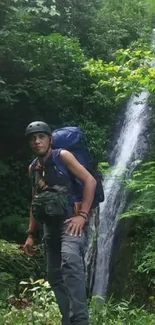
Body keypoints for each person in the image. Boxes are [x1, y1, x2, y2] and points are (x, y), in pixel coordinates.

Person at [23, 121, 97, 325]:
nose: (37, 141)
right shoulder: (33, 168)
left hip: (70, 222)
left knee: (70, 262)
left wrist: (82, 215)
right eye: (33, 138)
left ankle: (81, 321)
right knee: (54, 275)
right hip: (49, 226)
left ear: (50, 139)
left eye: (41, 137)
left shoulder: (62, 156)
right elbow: (34, 201)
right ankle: (68, 320)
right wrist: (30, 234)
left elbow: (90, 181)